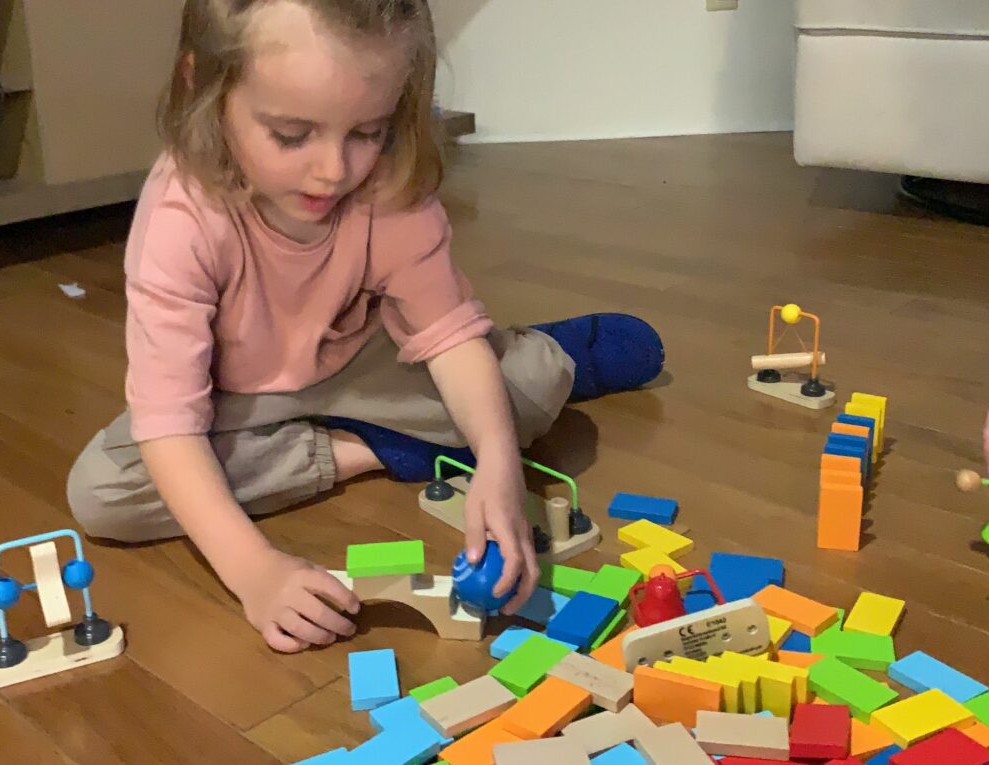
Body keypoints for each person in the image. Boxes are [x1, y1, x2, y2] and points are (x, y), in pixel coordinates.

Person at [66, 0, 664, 653]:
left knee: (531, 385)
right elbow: (169, 421)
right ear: (201, 85)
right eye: (292, 134)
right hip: (237, 396)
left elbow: (444, 336)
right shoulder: (179, 219)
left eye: (367, 131)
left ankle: (532, 350)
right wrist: (253, 570)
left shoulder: (389, 187)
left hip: (368, 360)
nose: (334, 170)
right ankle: (374, 449)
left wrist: (498, 465)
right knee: (103, 493)